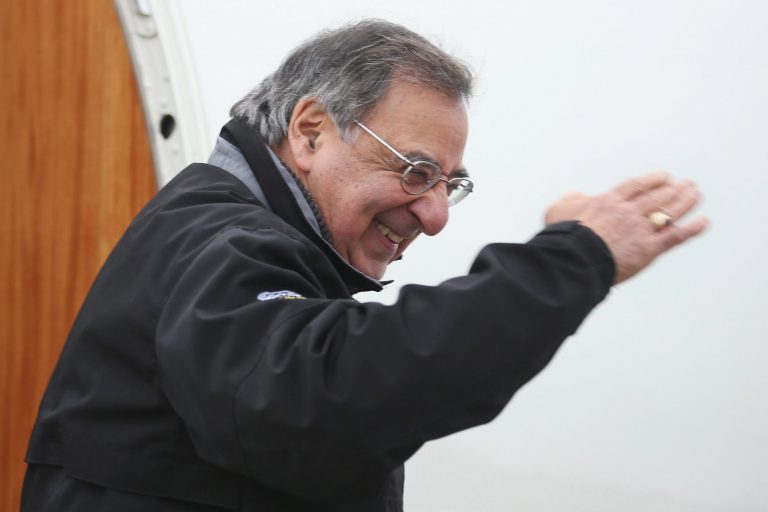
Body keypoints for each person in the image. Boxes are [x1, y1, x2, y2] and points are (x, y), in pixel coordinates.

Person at [21, 19, 707, 512]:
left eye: (450, 184)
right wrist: (573, 260)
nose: (436, 215)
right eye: (415, 170)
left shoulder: (237, 239)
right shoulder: (220, 240)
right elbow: (322, 395)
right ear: (310, 131)